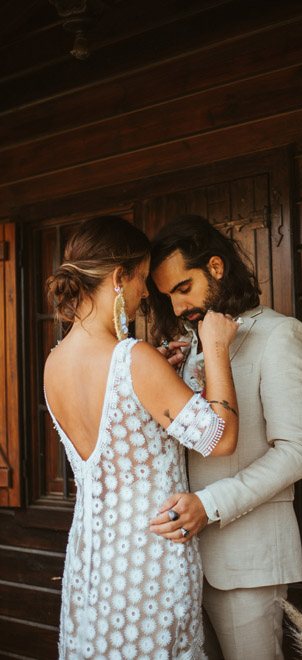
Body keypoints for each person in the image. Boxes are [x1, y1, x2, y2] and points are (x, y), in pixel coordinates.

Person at [44, 216, 240, 659]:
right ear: (118, 278)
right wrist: (217, 350)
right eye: (140, 281)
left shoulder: (54, 362)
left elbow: (121, 429)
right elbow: (219, 437)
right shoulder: (133, 358)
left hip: (92, 565)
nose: (145, 296)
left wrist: (160, 377)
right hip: (149, 564)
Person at [146, 216, 302, 660]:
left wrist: (211, 504)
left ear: (217, 268)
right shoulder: (191, 345)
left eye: (184, 288)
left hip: (248, 561)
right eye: (168, 296)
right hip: (182, 560)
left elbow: (297, 452)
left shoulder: (281, 335)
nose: (179, 307)